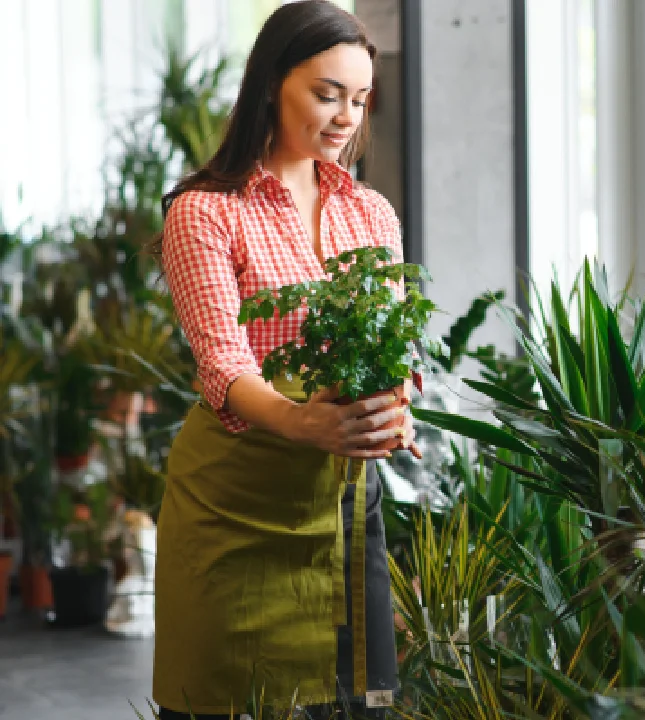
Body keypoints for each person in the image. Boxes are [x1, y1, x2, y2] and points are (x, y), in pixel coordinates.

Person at [152, 2, 413, 717]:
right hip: (235, 506)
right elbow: (224, 365)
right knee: (228, 701)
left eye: (359, 100)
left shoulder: (372, 214)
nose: (345, 118)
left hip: (342, 498)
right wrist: (302, 423)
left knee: (351, 702)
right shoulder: (205, 212)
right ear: (271, 83)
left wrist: (395, 405)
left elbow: (395, 344)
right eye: (327, 95)